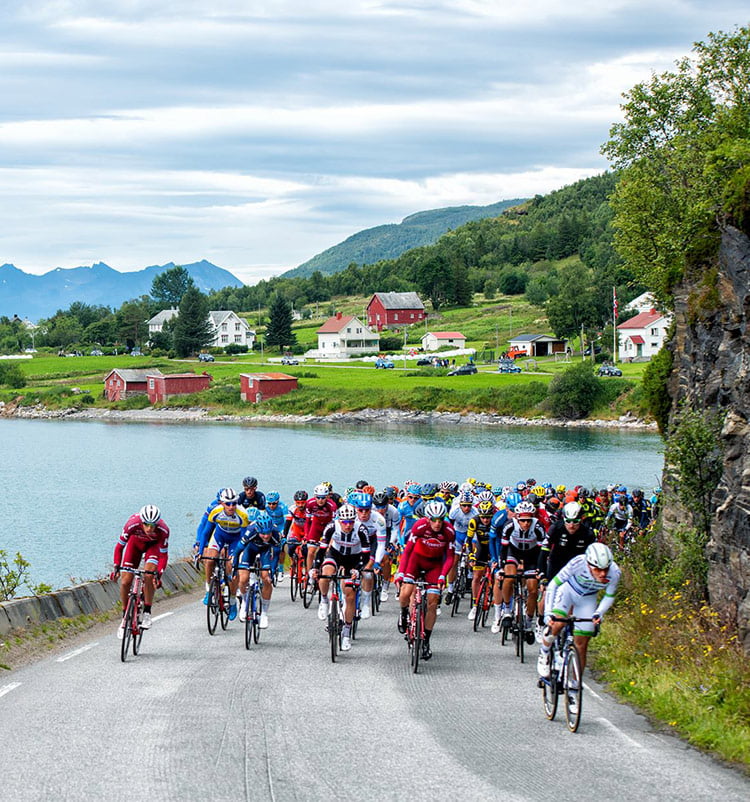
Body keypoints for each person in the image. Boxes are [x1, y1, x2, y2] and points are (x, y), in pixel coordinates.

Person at [537, 542, 621, 678]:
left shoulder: (615, 572)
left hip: (588, 599)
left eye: (605, 569)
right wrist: (548, 613)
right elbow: (553, 585)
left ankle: (575, 687)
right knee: (558, 623)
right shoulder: (577, 563)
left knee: (581, 645)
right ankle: (545, 652)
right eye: (598, 569)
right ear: (588, 565)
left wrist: (599, 612)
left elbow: (609, 596)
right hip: (567, 592)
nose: (602, 573)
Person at [395, 499, 455, 661]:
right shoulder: (419, 527)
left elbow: (450, 557)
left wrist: (443, 576)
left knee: (433, 601)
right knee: (406, 592)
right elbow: (407, 552)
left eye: (440, 520)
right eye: (434, 520)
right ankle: (403, 612)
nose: (437, 523)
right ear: (428, 519)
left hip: (434, 566)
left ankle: (426, 639)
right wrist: (401, 573)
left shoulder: (449, 531)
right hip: (416, 561)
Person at [315, 504, 371, 652]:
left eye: (351, 522)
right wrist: (315, 568)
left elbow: (365, 556)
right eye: (345, 522)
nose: (348, 525)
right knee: (325, 575)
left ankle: (346, 633)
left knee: (350, 596)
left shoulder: (361, 530)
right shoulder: (331, 527)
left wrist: (358, 570)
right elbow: (321, 550)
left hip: (354, 559)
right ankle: (324, 600)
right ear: (339, 520)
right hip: (335, 555)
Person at [111, 504, 169, 639]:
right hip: (135, 546)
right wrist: (116, 567)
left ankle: (147, 612)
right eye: (146, 524)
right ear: (141, 521)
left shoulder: (163, 530)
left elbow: (163, 555)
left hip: (152, 548)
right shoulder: (132, 524)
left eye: (152, 525)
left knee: (149, 575)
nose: (149, 528)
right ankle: (125, 617)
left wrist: (159, 574)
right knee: (125, 581)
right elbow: (119, 547)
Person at [199, 487, 250, 621]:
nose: (231, 506)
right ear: (222, 503)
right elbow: (206, 532)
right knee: (209, 560)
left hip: (236, 540)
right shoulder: (215, 512)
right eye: (228, 503)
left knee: (231, 569)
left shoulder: (242, 514)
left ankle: (232, 602)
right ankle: (209, 589)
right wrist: (200, 551)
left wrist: (238, 554)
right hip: (219, 537)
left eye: (234, 503)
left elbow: (245, 537)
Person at [498, 500, 545, 633]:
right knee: (509, 578)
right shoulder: (509, 526)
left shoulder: (538, 527)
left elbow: (543, 551)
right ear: (517, 518)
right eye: (523, 520)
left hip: (532, 555)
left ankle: (529, 623)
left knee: (533, 590)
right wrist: (502, 568)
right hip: (514, 552)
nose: (526, 523)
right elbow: (503, 548)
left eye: (529, 520)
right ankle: (507, 611)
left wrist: (540, 570)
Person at [234, 510, 281, 628]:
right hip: (249, 550)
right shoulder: (251, 531)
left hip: (265, 552)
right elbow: (238, 551)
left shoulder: (275, 534)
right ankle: (244, 601)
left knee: (266, 579)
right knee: (243, 579)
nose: (266, 536)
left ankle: (264, 613)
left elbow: (276, 555)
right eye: (263, 534)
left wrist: (273, 571)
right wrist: (235, 568)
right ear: (258, 530)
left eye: (268, 533)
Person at [303, 483, 338, 577]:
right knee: (310, 551)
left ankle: (324, 570)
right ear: (315, 496)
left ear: (327, 497)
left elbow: (335, 525)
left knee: (328, 550)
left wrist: (332, 540)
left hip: (328, 527)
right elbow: (307, 522)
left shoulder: (332, 505)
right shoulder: (310, 504)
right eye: (318, 497)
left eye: (323, 498)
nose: (320, 500)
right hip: (316, 526)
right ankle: (309, 575)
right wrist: (306, 535)